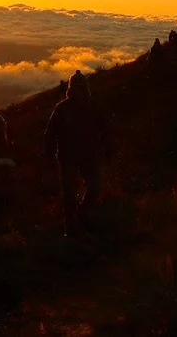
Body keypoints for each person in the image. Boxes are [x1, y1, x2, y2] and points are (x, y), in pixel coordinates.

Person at [44, 70, 112, 236]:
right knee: (69, 193)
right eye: (77, 88)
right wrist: (50, 154)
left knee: (95, 188)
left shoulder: (94, 106)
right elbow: (50, 132)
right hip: (67, 156)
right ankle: (70, 226)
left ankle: (81, 213)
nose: (79, 91)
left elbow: (105, 129)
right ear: (72, 89)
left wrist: (109, 147)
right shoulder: (62, 108)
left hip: (89, 155)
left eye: (82, 87)